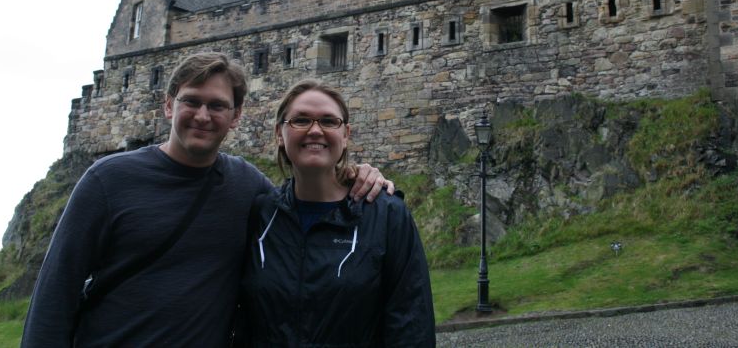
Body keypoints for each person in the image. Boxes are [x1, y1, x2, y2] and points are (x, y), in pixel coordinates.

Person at [21, 53, 392, 347]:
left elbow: (305, 197)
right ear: (169, 106)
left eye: (216, 106)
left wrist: (355, 173)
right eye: (191, 102)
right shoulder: (107, 179)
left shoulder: (248, 186)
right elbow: (56, 294)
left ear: (235, 116)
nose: (202, 116)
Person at [241, 79, 435, 347]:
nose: (315, 130)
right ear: (279, 134)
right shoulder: (261, 215)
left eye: (329, 121)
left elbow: (411, 323)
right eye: (301, 120)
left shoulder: (386, 215)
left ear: (345, 135)